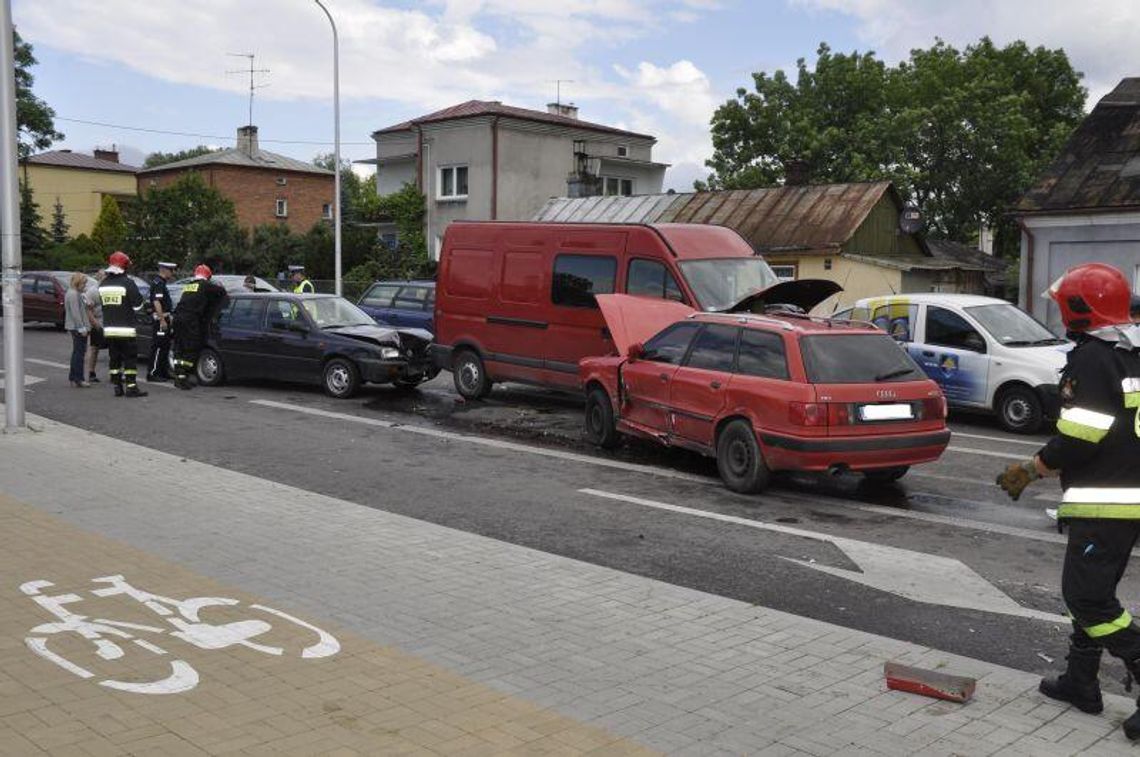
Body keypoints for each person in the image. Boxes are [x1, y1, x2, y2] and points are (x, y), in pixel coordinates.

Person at [996, 263, 1140, 738]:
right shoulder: (1131, 350)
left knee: (1087, 598)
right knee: (1094, 593)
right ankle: (1081, 682)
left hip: (1106, 502)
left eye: (1064, 305)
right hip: (1129, 497)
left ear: (1079, 308)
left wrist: (1030, 469)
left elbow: (1080, 436)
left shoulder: (1093, 358)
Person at [98, 251, 148, 398]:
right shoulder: (128, 283)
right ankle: (131, 388)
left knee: (114, 359)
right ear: (125, 267)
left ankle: (117, 387)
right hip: (126, 330)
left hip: (109, 330)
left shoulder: (103, 284)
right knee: (130, 359)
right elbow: (138, 306)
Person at [171, 264, 228, 390]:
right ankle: (182, 378)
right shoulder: (205, 285)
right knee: (192, 348)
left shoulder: (189, 286)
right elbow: (221, 292)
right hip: (189, 320)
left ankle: (179, 377)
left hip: (178, 319)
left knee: (180, 348)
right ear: (207, 276)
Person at [146, 261, 176, 382]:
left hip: (165, 318)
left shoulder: (161, 283)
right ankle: (153, 373)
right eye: (171, 270)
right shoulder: (158, 283)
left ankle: (163, 372)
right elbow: (156, 302)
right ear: (164, 270)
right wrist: (162, 320)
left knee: (165, 346)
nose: (173, 273)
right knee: (158, 346)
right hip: (160, 320)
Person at [64, 272, 92, 387]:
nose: (84, 286)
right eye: (83, 284)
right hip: (77, 328)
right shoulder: (73, 294)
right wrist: (82, 328)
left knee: (77, 352)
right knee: (79, 354)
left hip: (74, 327)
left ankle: (73, 377)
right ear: (78, 283)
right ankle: (78, 378)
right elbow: (76, 313)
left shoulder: (74, 293)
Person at [84, 270, 105, 383]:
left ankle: (114, 373)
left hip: (109, 323)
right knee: (95, 349)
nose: (105, 278)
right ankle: (91, 372)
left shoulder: (109, 290)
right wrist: (95, 324)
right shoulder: (92, 291)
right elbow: (88, 310)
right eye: (102, 276)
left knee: (114, 348)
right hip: (97, 323)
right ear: (98, 277)